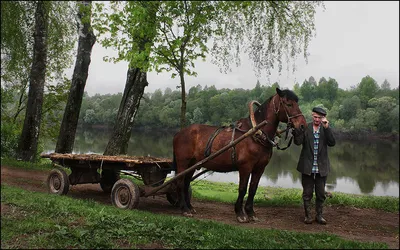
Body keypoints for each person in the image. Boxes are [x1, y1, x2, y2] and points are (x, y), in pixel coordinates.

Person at [293, 107, 336, 224]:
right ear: (312, 116)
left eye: (320, 117)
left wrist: (327, 128)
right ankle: (308, 216)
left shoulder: (326, 129)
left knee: (321, 194)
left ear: (324, 118)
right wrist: (296, 132)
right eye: (315, 117)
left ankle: (319, 216)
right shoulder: (306, 127)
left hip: (321, 167)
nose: (317, 120)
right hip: (307, 166)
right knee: (307, 193)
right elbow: (298, 142)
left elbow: (332, 143)